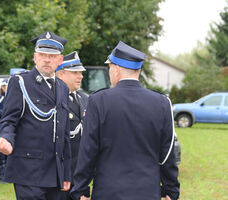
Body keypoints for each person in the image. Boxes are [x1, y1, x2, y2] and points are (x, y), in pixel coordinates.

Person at [70, 41, 180, 200]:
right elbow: (167, 154)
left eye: (109, 68)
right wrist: (171, 189)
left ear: (115, 69)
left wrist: (80, 190)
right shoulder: (162, 103)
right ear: (139, 71)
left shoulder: (98, 101)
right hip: (148, 192)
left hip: (108, 192)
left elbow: (88, 151)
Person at [0, 31, 71, 200]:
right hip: (28, 170)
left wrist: (66, 172)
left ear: (60, 60)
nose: (47, 59)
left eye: (52, 56)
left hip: (55, 172)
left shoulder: (63, 88)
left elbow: (64, 133)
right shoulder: (20, 82)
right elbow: (8, 120)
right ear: (35, 57)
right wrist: (6, 138)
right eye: (43, 55)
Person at [56, 51, 89, 200]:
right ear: (60, 74)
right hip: (60, 173)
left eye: (80, 72)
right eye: (75, 72)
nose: (80, 76)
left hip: (82, 173)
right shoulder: (52, 99)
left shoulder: (85, 99)